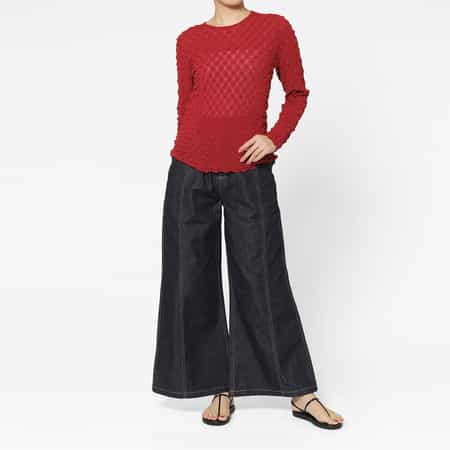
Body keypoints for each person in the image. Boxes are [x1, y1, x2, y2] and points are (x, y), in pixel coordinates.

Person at [152, 1, 344, 429]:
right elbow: (185, 105)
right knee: (192, 280)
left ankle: (300, 391)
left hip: (249, 171)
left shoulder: (274, 28)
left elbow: (297, 94)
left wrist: (274, 138)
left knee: (263, 277)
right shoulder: (189, 40)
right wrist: (191, 150)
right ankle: (219, 386)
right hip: (189, 171)